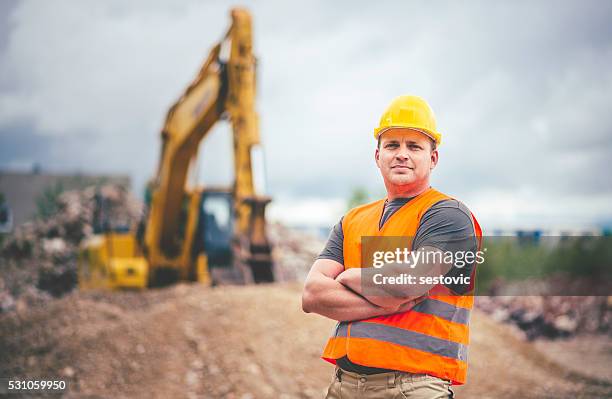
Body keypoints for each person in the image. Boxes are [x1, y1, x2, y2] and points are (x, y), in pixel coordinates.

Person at [302, 95, 482, 399]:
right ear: (377, 155)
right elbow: (312, 295)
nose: (402, 154)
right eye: (392, 145)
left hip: (414, 387)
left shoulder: (449, 215)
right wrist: (384, 298)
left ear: (433, 158)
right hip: (344, 385)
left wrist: (347, 277)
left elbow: (410, 282)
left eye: (414, 146)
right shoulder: (352, 221)